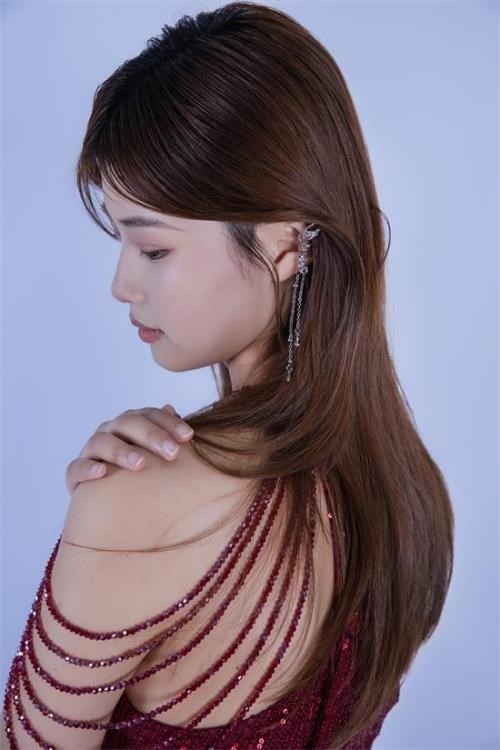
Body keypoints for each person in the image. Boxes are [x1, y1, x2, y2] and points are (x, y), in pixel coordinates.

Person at [2, 2, 454, 748]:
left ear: (284, 243)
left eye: (153, 249)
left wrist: (115, 512)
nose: (121, 284)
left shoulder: (137, 501)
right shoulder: (408, 494)